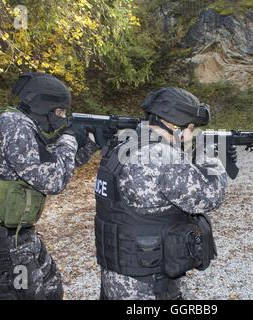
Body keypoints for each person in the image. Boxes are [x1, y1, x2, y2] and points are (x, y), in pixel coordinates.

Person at [0, 72, 98, 300]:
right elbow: (53, 181)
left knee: (51, 290)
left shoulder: (21, 125)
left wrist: (89, 145)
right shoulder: (14, 127)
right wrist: (69, 138)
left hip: (16, 237)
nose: (62, 117)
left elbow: (50, 166)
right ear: (43, 108)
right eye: (59, 112)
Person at [95, 87, 236, 300]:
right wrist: (211, 156)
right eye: (191, 128)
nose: (192, 134)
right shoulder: (161, 155)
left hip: (118, 275)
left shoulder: (124, 143)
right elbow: (209, 196)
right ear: (175, 125)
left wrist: (186, 153)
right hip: (149, 284)